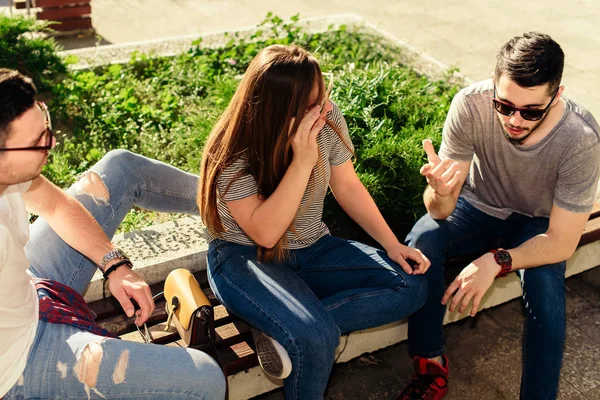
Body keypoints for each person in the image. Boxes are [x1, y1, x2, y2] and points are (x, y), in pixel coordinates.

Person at [198, 44, 430, 399]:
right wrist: (302, 161)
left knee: (410, 286)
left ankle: (285, 328)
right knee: (316, 336)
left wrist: (392, 244)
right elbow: (266, 232)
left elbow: (347, 185)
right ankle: (298, 328)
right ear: (278, 110)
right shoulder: (233, 153)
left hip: (312, 246)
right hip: (245, 257)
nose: (323, 110)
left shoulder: (325, 116)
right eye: (311, 105)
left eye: (323, 97)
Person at [0, 68, 226, 399]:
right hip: (18, 360)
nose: (51, 143)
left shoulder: (13, 167)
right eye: (36, 143)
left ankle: (233, 205)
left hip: (25, 284)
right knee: (207, 379)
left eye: (46, 126)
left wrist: (114, 264)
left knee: (120, 168)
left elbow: (56, 206)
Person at [398, 32, 600, 400]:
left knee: (546, 289)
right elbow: (439, 210)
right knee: (423, 240)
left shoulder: (581, 139)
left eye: (531, 111)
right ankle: (429, 365)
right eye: (504, 105)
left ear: (557, 94)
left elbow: (562, 241)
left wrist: (497, 261)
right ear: (493, 85)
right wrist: (440, 195)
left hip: (538, 223)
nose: (514, 120)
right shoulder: (470, 105)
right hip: (478, 206)